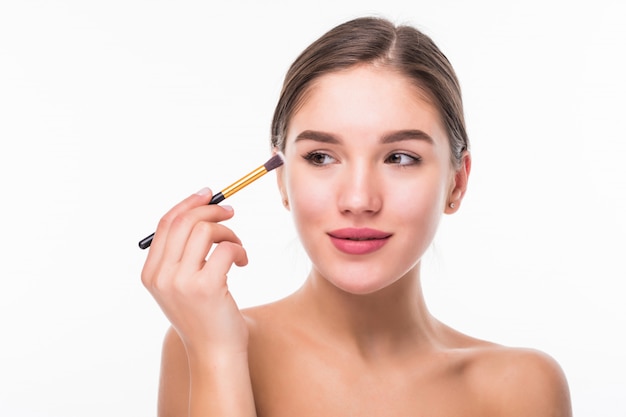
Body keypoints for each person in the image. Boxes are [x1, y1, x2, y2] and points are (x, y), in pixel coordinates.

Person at [141, 16, 572, 416]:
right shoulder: (202, 343)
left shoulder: (521, 388)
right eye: (322, 156)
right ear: (281, 179)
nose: (359, 198)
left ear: (456, 182)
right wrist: (216, 355)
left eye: (400, 157)